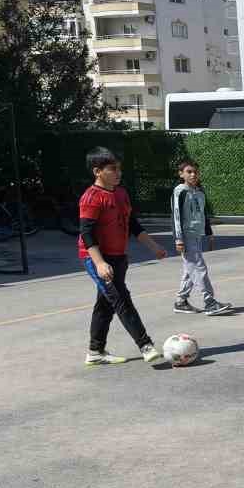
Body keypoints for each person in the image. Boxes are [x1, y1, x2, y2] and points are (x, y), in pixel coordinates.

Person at [78, 147, 167, 365]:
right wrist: (99, 263)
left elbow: (133, 224)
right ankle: (145, 345)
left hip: (119, 256)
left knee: (106, 303)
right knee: (121, 299)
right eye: (113, 169)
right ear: (97, 171)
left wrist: (153, 246)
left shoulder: (121, 193)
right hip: (97, 258)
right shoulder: (91, 197)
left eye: (119, 168)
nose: (118, 173)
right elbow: (86, 233)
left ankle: (95, 351)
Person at [171, 160, 232, 315]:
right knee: (199, 268)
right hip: (186, 236)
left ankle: (181, 301)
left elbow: (203, 214)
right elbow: (176, 216)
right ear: (181, 174)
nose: (193, 174)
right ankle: (210, 303)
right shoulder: (180, 191)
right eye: (189, 171)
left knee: (189, 269)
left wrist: (209, 233)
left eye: (195, 172)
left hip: (197, 235)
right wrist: (178, 239)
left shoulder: (199, 191)